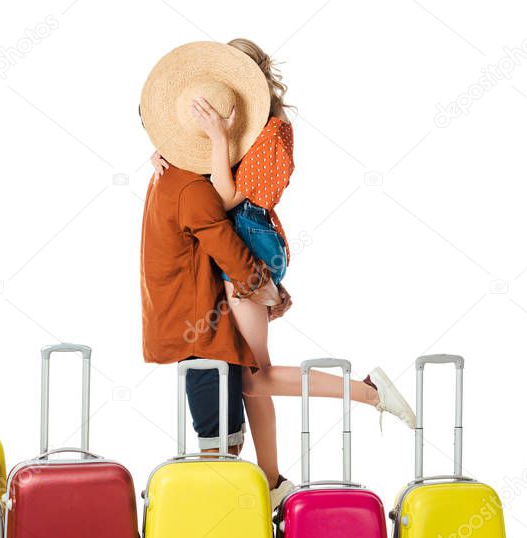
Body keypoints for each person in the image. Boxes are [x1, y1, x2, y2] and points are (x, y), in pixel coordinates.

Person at [140, 42, 414, 508]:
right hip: (243, 257)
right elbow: (204, 186)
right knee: (251, 380)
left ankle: (368, 392)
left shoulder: (271, 134)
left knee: (255, 377)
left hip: (251, 254)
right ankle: (271, 482)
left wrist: (217, 141)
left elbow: (228, 200)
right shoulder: (249, 129)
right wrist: (166, 154)